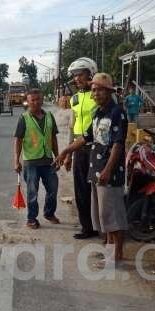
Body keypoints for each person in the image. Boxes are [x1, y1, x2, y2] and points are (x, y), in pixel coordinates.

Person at [57, 73, 129, 261]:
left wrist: (107, 170)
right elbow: (86, 138)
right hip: (95, 170)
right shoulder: (98, 113)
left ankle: (117, 253)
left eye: (100, 90)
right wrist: (66, 150)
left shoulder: (117, 113)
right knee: (104, 216)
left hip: (109, 173)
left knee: (113, 215)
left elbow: (118, 144)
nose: (96, 93)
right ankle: (110, 250)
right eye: (94, 90)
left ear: (109, 92)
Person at [60, 57, 100, 240]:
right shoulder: (75, 98)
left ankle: (102, 225)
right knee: (81, 190)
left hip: (96, 147)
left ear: (90, 74)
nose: (76, 79)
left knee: (98, 190)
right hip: (78, 148)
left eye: (80, 74)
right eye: (74, 76)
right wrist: (69, 153)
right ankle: (87, 227)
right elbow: (72, 126)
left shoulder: (98, 95)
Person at [13, 89, 60, 229]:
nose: (36, 102)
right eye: (32, 100)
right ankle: (31, 218)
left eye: (38, 99)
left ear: (42, 99)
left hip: (48, 161)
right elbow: (18, 140)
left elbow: (53, 138)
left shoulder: (49, 116)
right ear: (28, 102)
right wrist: (16, 160)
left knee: (53, 188)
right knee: (32, 192)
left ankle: (49, 213)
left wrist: (57, 156)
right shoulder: (24, 118)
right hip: (31, 162)